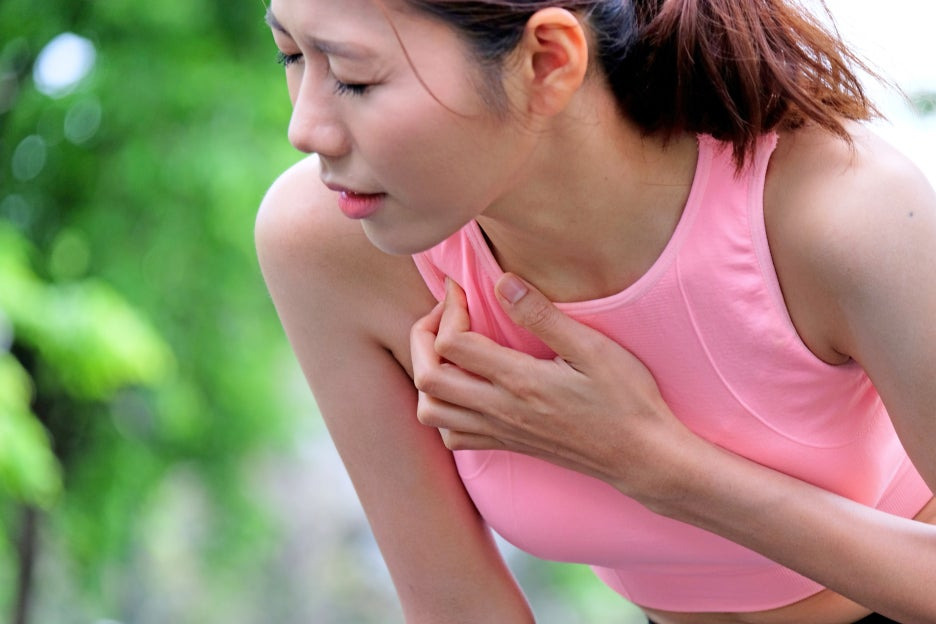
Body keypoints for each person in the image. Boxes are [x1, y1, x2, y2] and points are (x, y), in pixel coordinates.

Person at [255, 0, 936, 622]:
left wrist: (657, 465)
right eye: (291, 56)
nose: (304, 129)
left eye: (355, 78)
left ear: (548, 60)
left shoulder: (843, 216)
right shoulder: (332, 241)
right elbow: (454, 606)